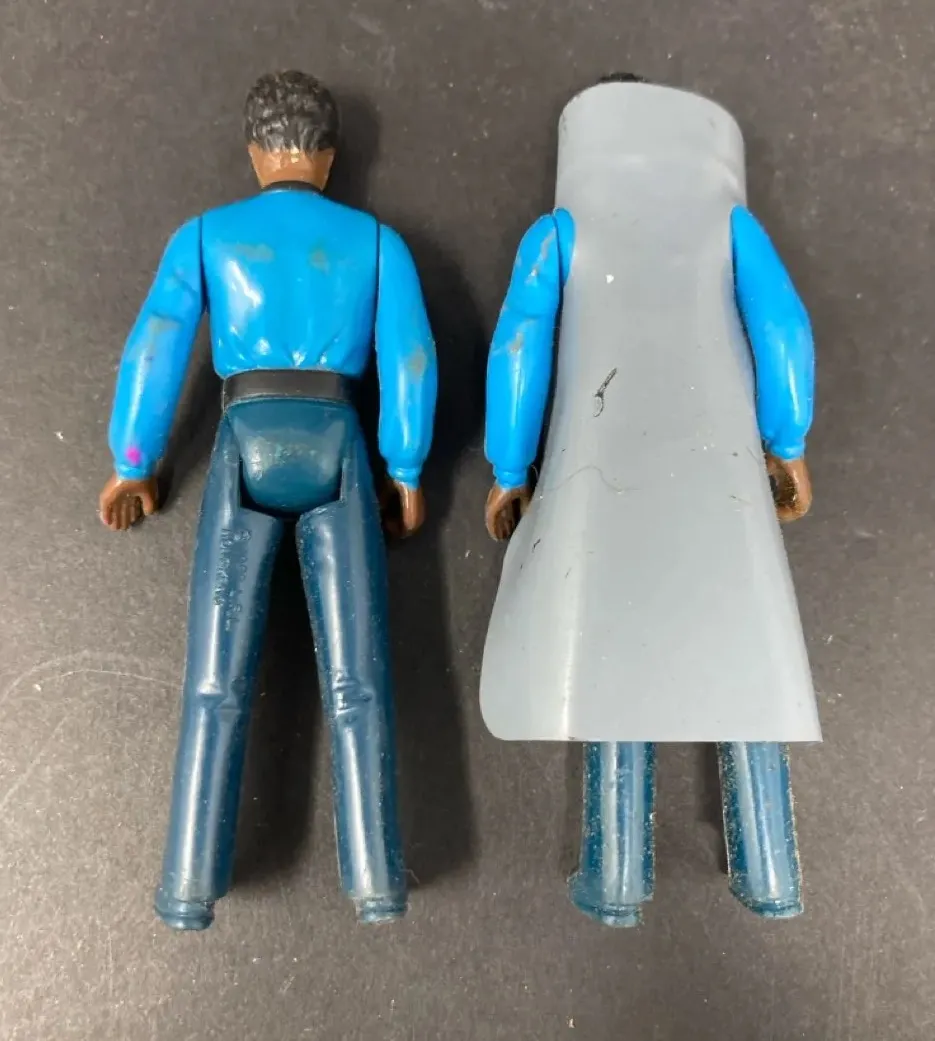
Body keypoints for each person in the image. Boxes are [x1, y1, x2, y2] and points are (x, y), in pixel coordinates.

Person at [99, 70, 437, 930]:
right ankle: (376, 879)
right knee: (359, 678)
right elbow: (408, 356)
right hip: (336, 440)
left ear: (255, 152)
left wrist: (134, 460)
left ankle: (187, 881)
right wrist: (404, 468)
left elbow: (156, 343)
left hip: (243, 439)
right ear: (328, 154)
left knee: (214, 679)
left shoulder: (207, 235)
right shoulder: (375, 241)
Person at [483, 74, 814, 924]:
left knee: (609, 629)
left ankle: (618, 872)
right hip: (720, 452)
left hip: (605, 449)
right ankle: (770, 868)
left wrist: (510, 467)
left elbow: (518, 345)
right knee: (742, 631)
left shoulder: (562, 231)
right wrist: (786, 443)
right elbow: (782, 328)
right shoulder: (729, 225)